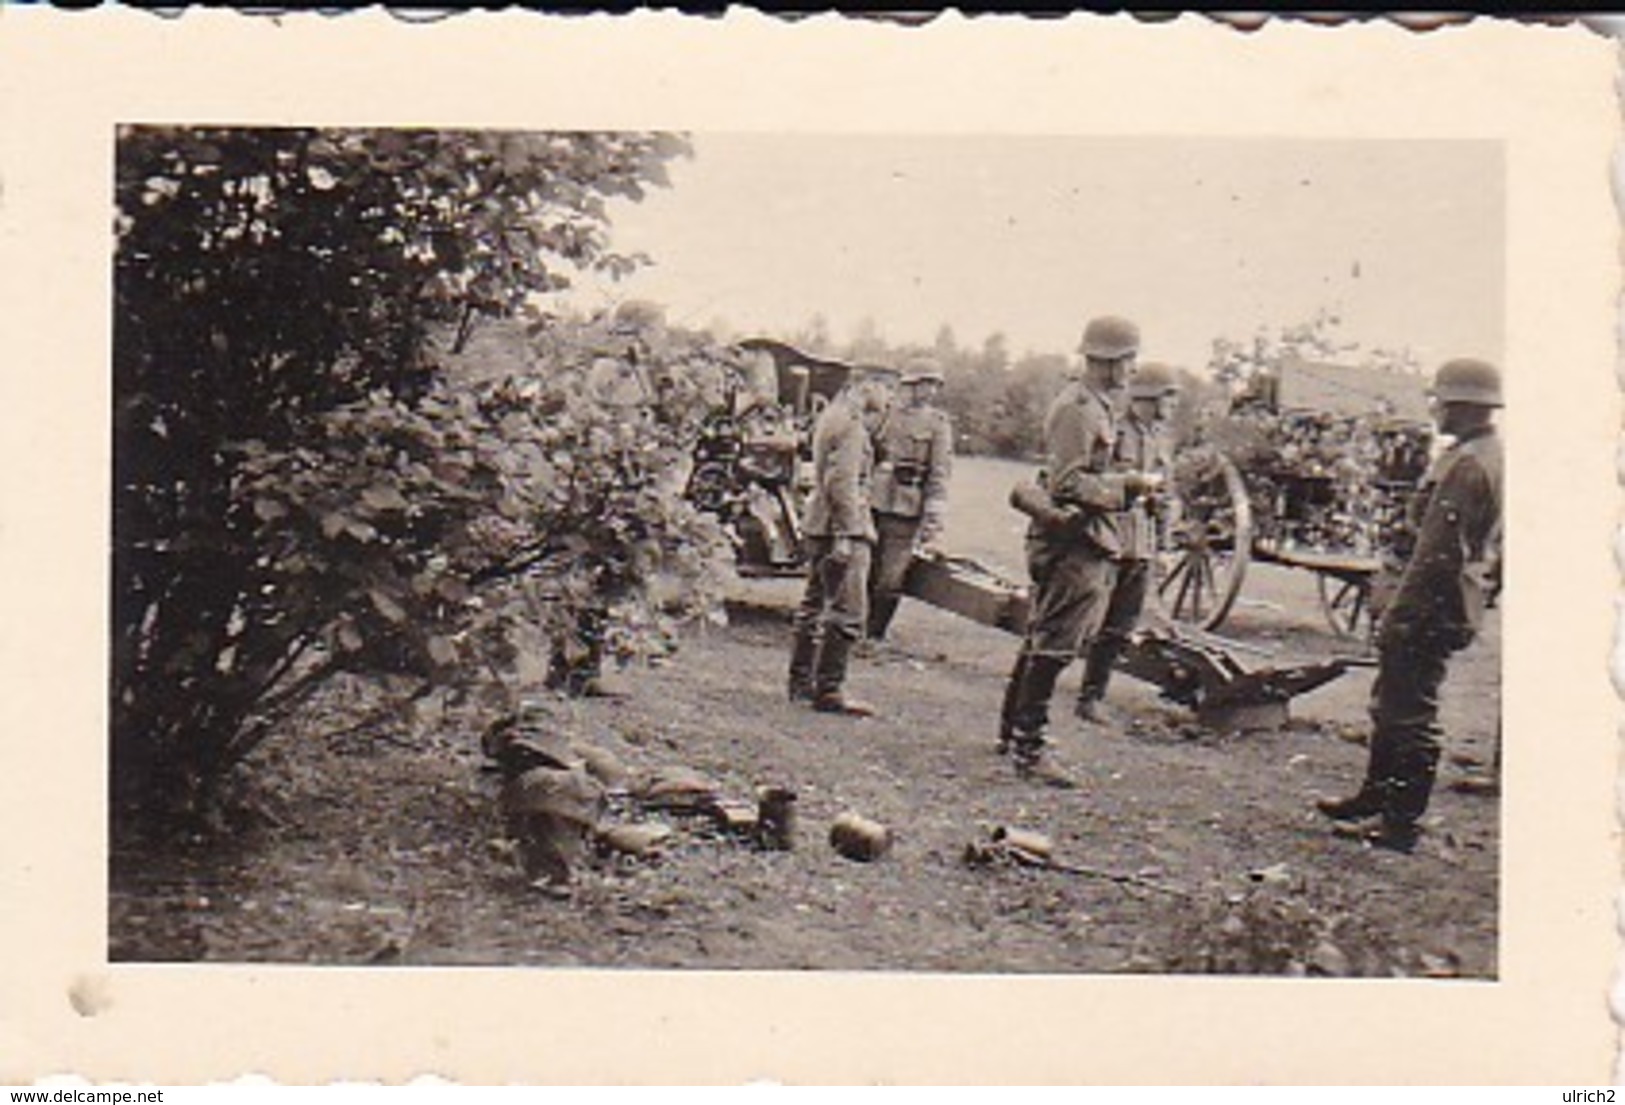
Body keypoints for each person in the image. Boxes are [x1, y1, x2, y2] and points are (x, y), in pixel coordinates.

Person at [1315, 358, 1504, 853]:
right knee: (1392, 699)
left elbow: (1436, 554)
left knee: (1411, 711)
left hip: (1431, 605)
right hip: (1441, 600)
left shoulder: (1467, 465)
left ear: (1461, 406)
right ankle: (1375, 797)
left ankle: (1399, 824)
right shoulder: (1479, 453)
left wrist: (1400, 610)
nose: (1435, 408)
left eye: (1441, 400)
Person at [997, 316, 1163, 784]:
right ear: (1108, 361)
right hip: (1074, 540)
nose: (1133, 369)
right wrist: (1131, 485)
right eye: (1128, 359)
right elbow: (1069, 482)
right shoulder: (1078, 408)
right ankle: (1030, 750)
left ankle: (1014, 734)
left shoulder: (1099, 405)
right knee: (1054, 644)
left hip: (1087, 536)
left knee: (1044, 638)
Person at [787, 365, 897, 716]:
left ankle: (801, 682)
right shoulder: (851, 425)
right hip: (842, 527)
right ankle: (829, 690)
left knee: (814, 605)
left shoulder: (832, 415)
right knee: (849, 611)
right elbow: (842, 484)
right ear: (866, 386)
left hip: (819, 523)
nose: (889, 398)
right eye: (886, 388)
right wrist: (847, 534)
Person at [1074, 361, 1179, 724]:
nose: (1172, 405)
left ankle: (1091, 697)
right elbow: (1093, 477)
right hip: (1109, 536)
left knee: (1121, 625)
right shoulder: (1114, 429)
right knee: (1084, 618)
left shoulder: (1161, 438)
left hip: (1141, 543)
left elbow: (1165, 496)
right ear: (1150, 397)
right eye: (1168, 396)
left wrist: (1163, 546)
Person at [866, 358, 955, 643]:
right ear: (910, 385)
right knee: (864, 570)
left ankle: (874, 634)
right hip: (873, 502)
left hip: (907, 508)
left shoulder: (938, 424)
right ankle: (852, 628)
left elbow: (939, 474)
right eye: (923, 384)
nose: (929, 391)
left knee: (891, 579)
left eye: (933, 385)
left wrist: (932, 521)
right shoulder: (886, 415)